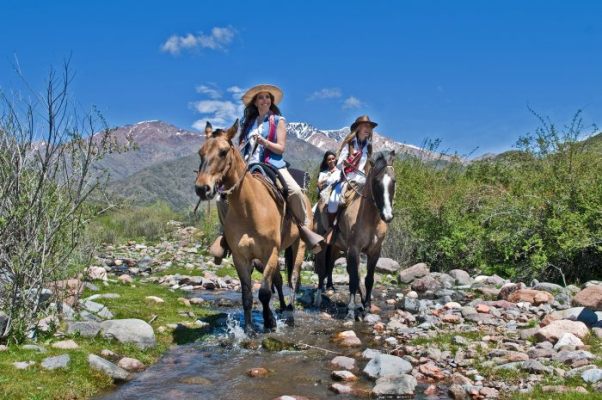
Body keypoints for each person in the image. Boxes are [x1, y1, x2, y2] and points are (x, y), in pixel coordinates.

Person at [210, 84, 324, 262]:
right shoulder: (247, 124)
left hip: (272, 164)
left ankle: (304, 228)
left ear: (271, 101)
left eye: (267, 97)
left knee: (294, 191)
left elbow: (280, 148)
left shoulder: (278, 120)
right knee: (220, 197)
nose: (265, 100)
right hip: (248, 167)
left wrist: (264, 142)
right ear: (255, 102)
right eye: (261, 97)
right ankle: (225, 234)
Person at [326, 115, 377, 224]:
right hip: (347, 178)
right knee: (333, 201)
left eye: (369, 127)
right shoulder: (350, 143)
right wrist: (346, 163)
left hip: (363, 180)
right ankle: (331, 227)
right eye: (365, 126)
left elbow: (367, 166)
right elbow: (339, 163)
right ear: (358, 128)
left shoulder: (369, 147)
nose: (368, 129)